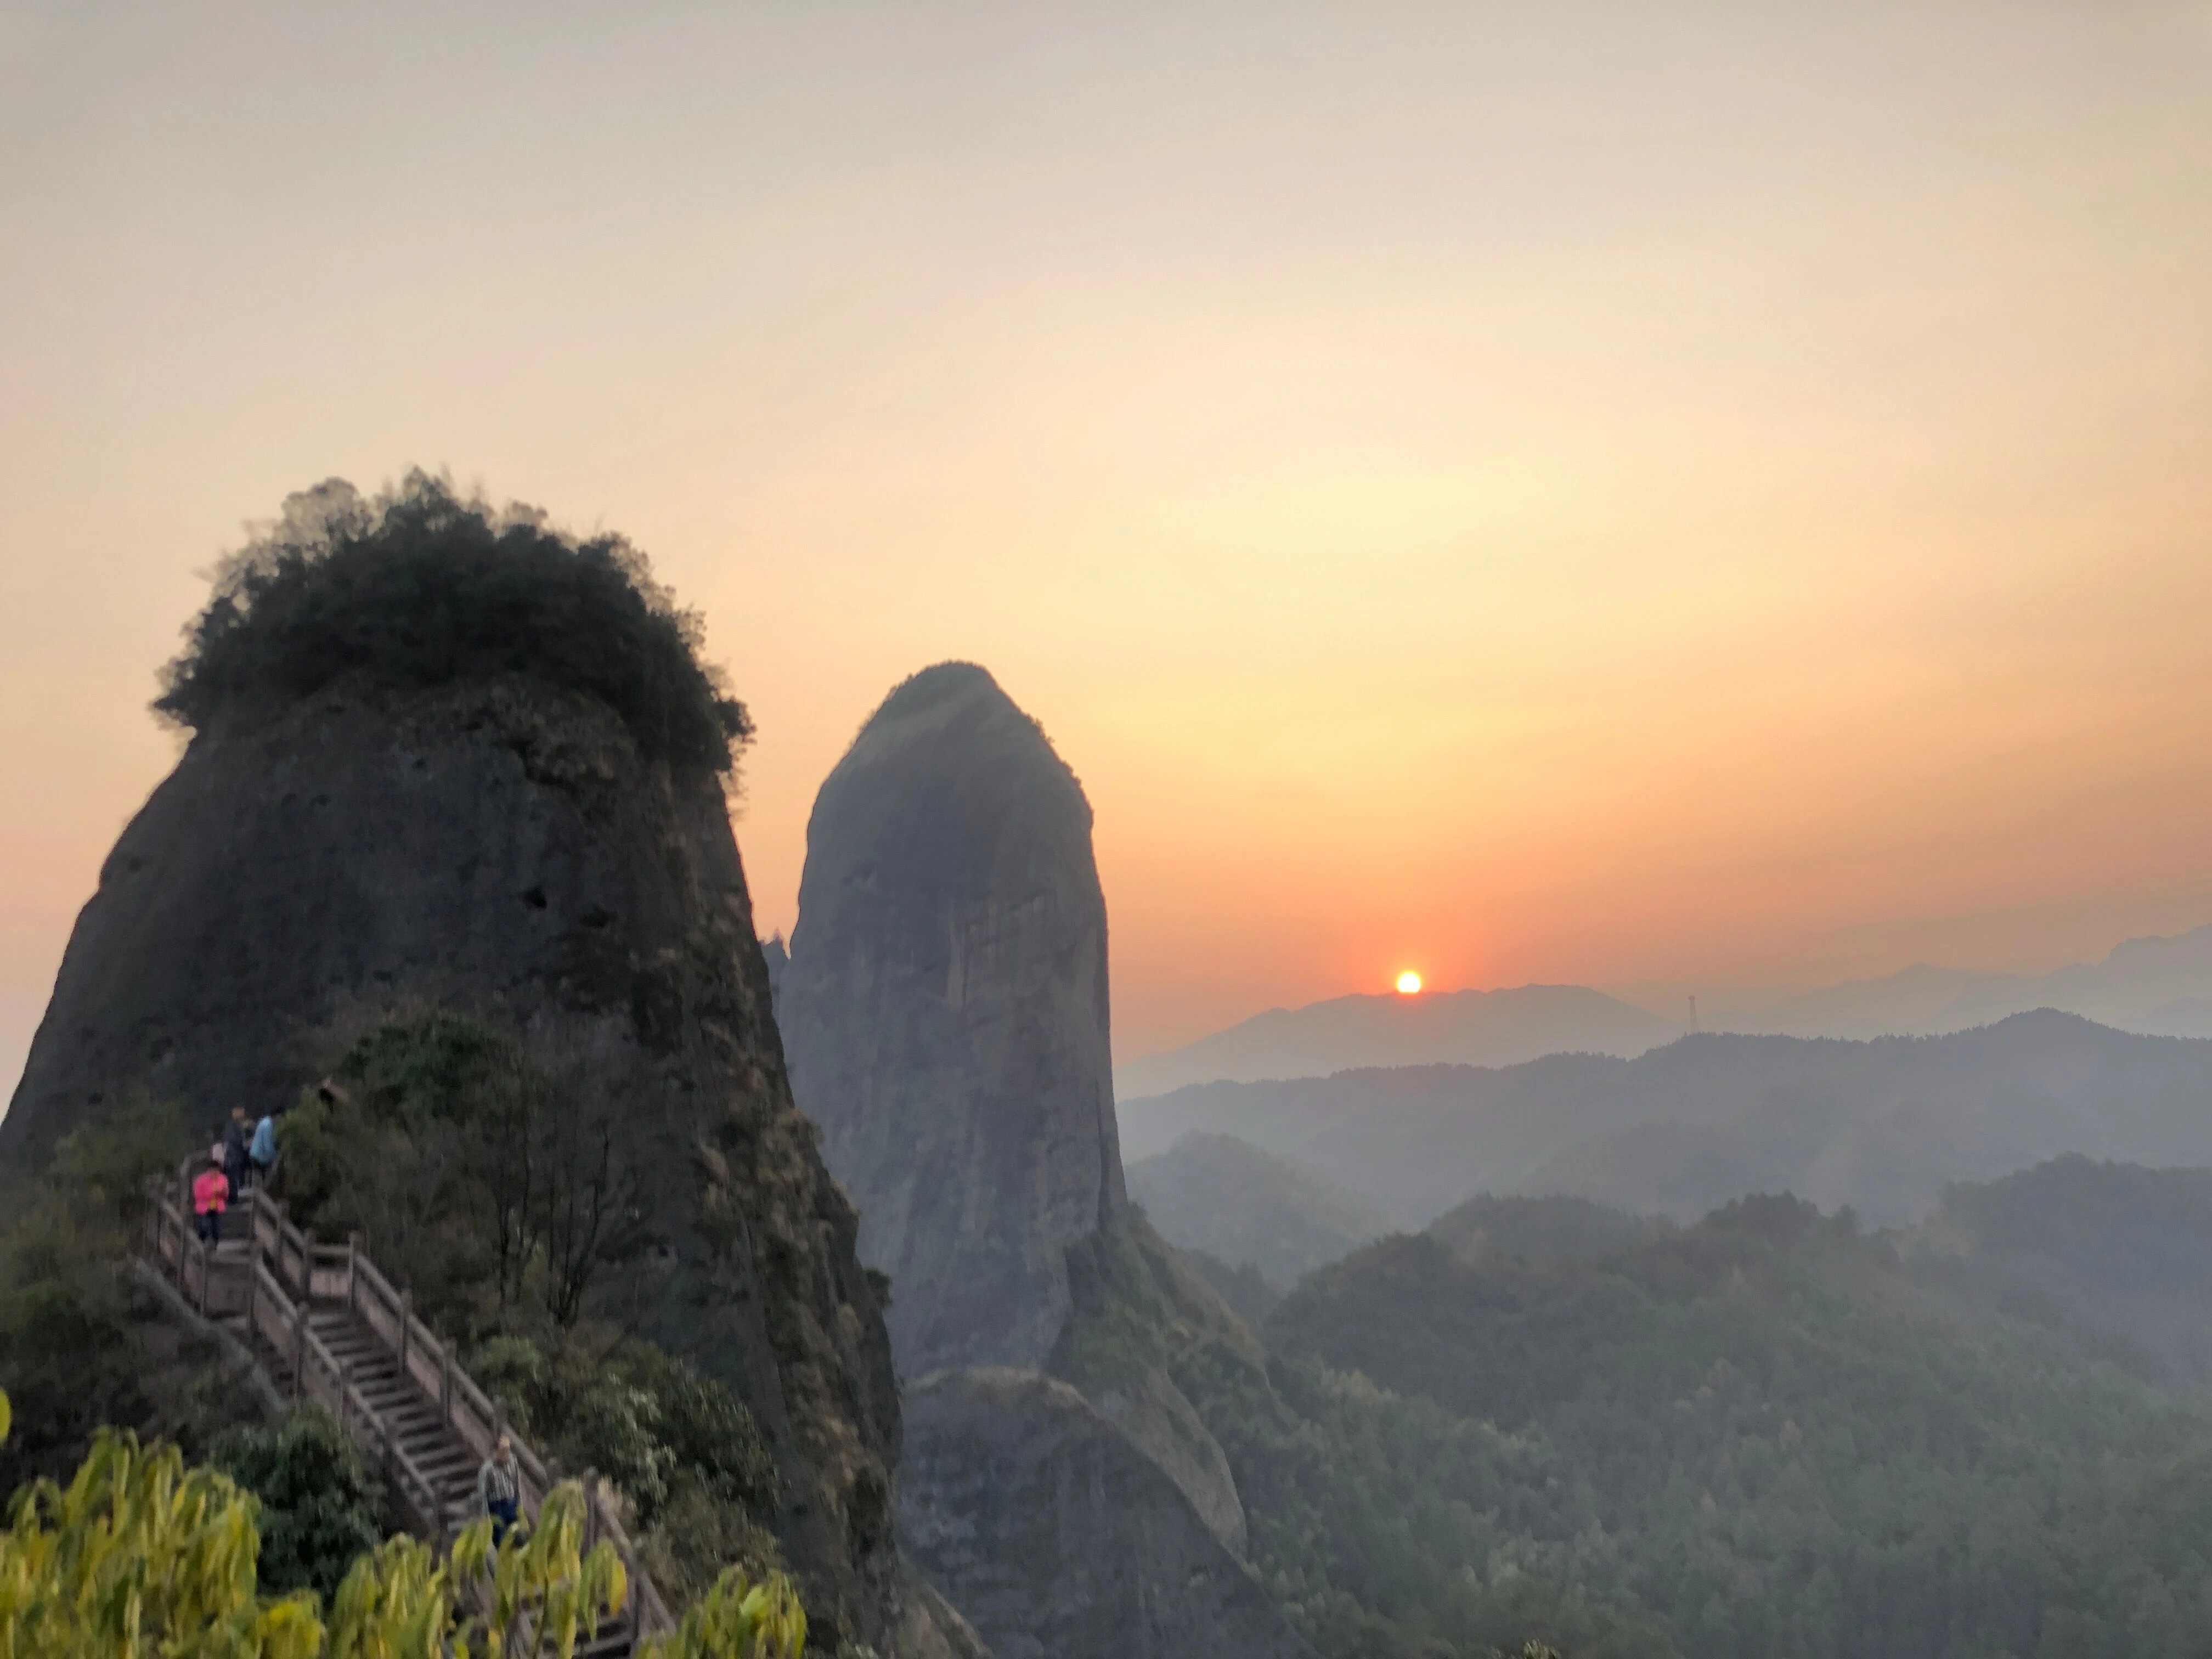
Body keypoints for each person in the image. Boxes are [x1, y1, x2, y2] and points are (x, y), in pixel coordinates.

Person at [478, 1434, 522, 1545]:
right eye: (503, 1451)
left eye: (507, 1450)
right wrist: (486, 1518)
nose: (506, 1454)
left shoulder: (513, 1462)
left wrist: (519, 1503)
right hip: (497, 1506)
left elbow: (517, 1483)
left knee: (518, 1537)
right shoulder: (487, 1470)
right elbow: (483, 1495)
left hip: (511, 1502)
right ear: (496, 1451)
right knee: (501, 1540)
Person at [191, 1146, 230, 1245]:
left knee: (217, 1230)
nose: (214, 1173)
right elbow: (197, 1195)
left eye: (216, 1170)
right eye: (212, 1170)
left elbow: (226, 1195)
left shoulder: (223, 1179)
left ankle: (214, 1246)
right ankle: (200, 1242)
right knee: (204, 1227)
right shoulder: (201, 1180)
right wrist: (213, 1192)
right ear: (208, 1170)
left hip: (217, 1207)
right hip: (204, 1207)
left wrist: (222, 1192)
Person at [223, 1106, 252, 1195]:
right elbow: (234, 1140)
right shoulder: (232, 1126)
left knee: (240, 1177)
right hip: (234, 1156)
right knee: (235, 1178)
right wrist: (244, 1143)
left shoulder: (239, 1125)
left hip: (238, 1157)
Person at [248, 1108, 279, 1187]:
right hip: (260, 1157)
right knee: (261, 1183)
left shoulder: (265, 1121)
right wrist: (274, 1157)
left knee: (257, 1180)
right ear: (278, 1116)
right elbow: (267, 1144)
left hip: (256, 1155)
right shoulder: (268, 1125)